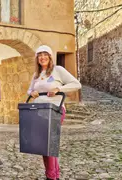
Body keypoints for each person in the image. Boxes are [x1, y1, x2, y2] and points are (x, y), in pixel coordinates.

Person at [27, 45, 81, 180]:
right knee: (44, 144)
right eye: (40, 55)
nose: (42, 57)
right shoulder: (37, 75)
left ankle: (52, 176)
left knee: (49, 143)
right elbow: (29, 90)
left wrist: (59, 88)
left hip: (55, 109)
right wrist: (32, 92)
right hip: (39, 111)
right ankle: (52, 174)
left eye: (45, 55)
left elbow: (76, 84)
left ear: (50, 57)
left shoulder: (58, 70)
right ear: (37, 59)